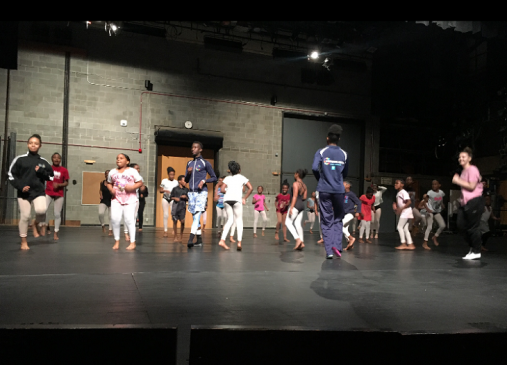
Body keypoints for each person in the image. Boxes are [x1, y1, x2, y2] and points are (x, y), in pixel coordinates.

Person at [8, 134, 54, 250]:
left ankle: (35, 224)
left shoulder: (43, 161)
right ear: (28, 144)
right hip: (24, 193)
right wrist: (20, 186)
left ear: (40, 146)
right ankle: (24, 241)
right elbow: (10, 175)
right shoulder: (20, 159)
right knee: (25, 216)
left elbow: (51, 177)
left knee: (41, 210)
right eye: (31, 143)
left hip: (38, 192)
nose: (33, 145)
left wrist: (41, 171)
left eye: (36, 143)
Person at [312, 124, 348, 259]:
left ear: (327, 138)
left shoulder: (321, 152)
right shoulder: (344, 154)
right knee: (338, 218)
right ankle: (337, 245)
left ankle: (329, 251)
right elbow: (345, 173)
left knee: (326, 220)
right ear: (338, 139)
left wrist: (321, 180)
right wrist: (337, 181)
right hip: (339, 190)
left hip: (324, 190)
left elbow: (315, 168)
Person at [452, 147, 485, 260]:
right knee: (460, 226)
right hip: (465, 203)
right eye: (460, 157)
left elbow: (471, 186)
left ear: (469, 158)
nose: (460, 159)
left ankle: (476, 251)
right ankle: (473, 248)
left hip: (475, 201)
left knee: (473, 227)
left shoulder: (472, 169)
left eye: (463, 157)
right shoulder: (464, 171)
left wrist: (458, 181)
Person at [107, 153, 143, 250]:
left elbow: (140, 182)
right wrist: (111, 190)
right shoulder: (112, 172)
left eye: (121, 158)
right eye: (117, 158)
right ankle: (117, 241)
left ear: (127, 161)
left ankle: (132, 242)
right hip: (116, 199)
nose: (118, 160)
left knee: (129, 220)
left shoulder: (132, 171)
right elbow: (109, 183)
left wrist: (131, 187)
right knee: (115, 219)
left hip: (130, 199)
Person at [185, 141, 217, 248]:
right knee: (195, 217)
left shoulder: (205, 163)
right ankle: (199, 240)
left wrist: (204, 181)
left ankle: (190, 239)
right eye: (192, 147)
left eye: (195, 147)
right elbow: (186, 179)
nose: (192, 149)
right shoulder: (189, 163)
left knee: (198, 214)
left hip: (202, 192)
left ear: (200, 149)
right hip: (192, 193)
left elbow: (214, 177)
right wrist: (188, 173)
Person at [217, 161, 253, 250]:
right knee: (239, 220)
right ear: (239, 170)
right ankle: (239, 242)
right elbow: (250, 188)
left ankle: (222, 240)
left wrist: (229, 192)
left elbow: (221, 189)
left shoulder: (227, 178)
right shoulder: (241, 177)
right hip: (237, 200)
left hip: (227, 200)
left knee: (229, 220)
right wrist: (244, 198)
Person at [44, 152, 69, 241]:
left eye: (58, 158)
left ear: (60, 160)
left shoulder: (64, 170)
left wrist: (59, 185)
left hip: (59, 194)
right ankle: (46, 226)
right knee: (43, 210)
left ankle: (56, 232)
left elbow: (66, 182)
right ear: (52, 159)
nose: (56, 159)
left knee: (57, 213)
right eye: (54, 157)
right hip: (48, 192)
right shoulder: (48, 168)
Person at [285, 169, 308, 251]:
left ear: (297, 174)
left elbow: (294, 196)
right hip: (301, 205)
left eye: (295, 173)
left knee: (287, 222)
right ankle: (301, 242)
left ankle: (297, 239)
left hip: (296, 205)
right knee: (298, 224)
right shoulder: (304, 185)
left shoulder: (295, 184)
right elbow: (305, 197)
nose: (294, 175)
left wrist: (291, 207)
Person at [422, 180, 446, 250]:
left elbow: (441, 200)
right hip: (429, 211)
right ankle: (425, 243)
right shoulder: (430, 193)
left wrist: (442, 205)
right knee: (430, 227)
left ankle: (435, 237)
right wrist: (428, 209)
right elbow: (424, 202)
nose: (434, 186)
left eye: (435, 184)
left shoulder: (441, 193)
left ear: (439, 185)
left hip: (436, 211)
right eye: (433, 184)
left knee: (442, 225)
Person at [393, 178, 415, 250]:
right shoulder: (399, 192)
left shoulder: (403, 192)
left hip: (406, 211)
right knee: (405, 229)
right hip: (406, 211)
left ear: (402, 185)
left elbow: (409, 202)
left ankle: (403, 243)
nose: (395, 184)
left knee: (399, 227)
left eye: (397, 183)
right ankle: (410, 244)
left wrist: (401, 208)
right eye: (395, 183)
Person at [342, 181, 362, 251]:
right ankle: (350, 243)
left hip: (351, 213)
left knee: (340, 224)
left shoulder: (351, 194)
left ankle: (351, 238)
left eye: (343, 184)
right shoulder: (343, 194)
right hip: (345, 213)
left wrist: (358, 211)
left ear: (348, 186)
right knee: (344, 228)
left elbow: (358, 202)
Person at [160, 167, 179, 238]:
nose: (172, 176)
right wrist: (165, 190)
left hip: (172, 199)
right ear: (168, 174)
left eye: (173, 174)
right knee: (165, 215)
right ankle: (165, 230)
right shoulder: (164, 181)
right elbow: (160, 190)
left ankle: (174, 229)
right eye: (171, 174)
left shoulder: (176, 182)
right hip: (165, 198)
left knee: (173, 214)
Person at [170, 175, 189, 242]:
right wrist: (175, 198)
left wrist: (185, 197)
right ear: (180, 181)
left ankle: (181, 235)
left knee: (182, 221)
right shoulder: (175, 189)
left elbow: (189, 198)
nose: (185, 182)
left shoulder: (186, 189)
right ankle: (175, 236)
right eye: (184, 180)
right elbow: (171, 197)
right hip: (176, 206)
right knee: (175, 221)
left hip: (182, 206)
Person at [129, 163, 147, 233]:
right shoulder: (127, 176)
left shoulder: (140, 177)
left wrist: (143, 188)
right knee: (128, 214)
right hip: (127, 197)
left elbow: (142, 188)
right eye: (137, 168)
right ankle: (127, 230)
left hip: (135, 197)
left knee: (135, 214)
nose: (138, 170)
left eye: (139, 168)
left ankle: (133, 228)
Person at [99, 169, 113, 236]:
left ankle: (110, 230)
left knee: (111, 216)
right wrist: (101, 195)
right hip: (104, 200)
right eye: (106, 173)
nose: (107, 175)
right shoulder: (102, 182)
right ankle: (103, 226)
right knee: (100, 213)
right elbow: (100, 190)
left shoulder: (113, 183)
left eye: (108, 173)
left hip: (111, 200)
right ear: (105, 175)